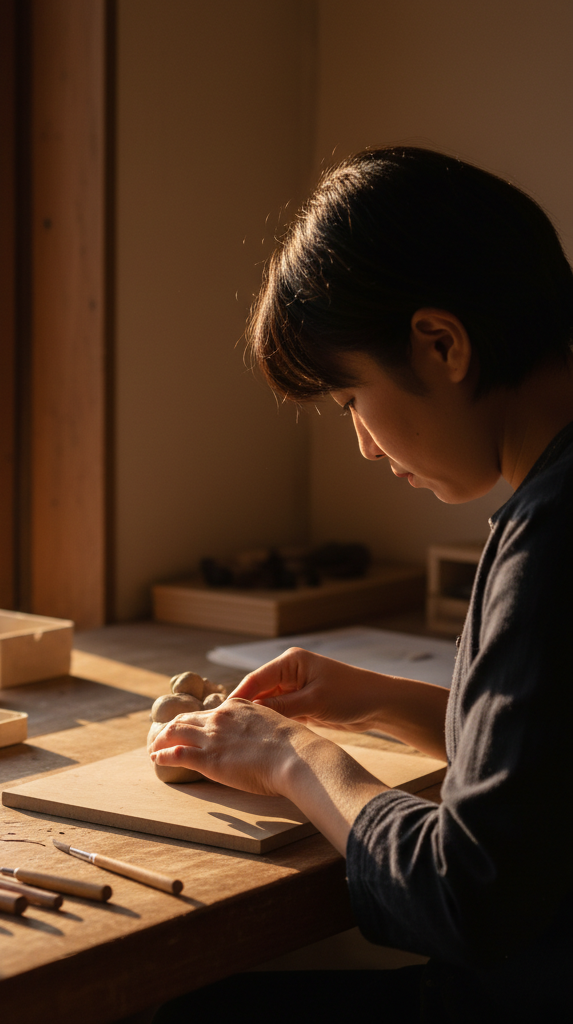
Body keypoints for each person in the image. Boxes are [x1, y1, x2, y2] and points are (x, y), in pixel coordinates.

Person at [148, 147, 573, 1022]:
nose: (366, 446)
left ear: (442, 343)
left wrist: (290, 756)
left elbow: (469, 896)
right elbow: (548, 771)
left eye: (350, 400)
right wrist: (375, 701)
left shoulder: (554, 535)